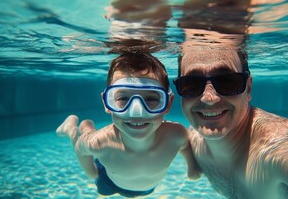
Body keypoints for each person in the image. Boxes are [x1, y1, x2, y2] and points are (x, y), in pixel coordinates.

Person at [173, 40, 288, 199]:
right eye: (192, 84)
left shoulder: (279, 149)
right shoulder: (194, 140)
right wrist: (191, 166)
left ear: (248, 89)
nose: (208, 98)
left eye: (227, 82)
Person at [56, 51, 201, 197]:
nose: (136, 112)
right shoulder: (99, 143)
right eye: (124, 98)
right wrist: (91, 172)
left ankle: (86, 126)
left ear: (167, 104)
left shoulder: (176, 135)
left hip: (149, 188)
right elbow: (80, 149)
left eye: (150, 99)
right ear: (107, 102)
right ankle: (72, 129)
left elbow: (184, 146)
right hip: (108, 182)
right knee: (88, 138)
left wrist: (192, 165)